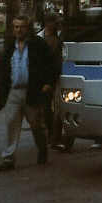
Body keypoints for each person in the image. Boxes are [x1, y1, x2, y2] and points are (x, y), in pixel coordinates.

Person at [0, 14, 56, 171]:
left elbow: (51, 64)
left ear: (27, 28)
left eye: (22, 27)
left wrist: (48, 83)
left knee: (36, 124)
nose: (19, 30)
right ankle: (8, 158)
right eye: (16, 27)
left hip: (32, 91)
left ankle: (42, 149)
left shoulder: (38, 44)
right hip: (14, 91)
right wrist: (2, 92)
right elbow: (4, 69)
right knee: (11, 124)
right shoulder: (10, 46)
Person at [37, 13, 64, 149]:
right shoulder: (40, 39)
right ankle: (52, 134)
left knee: (58, 108)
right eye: (54, 22)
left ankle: (55, 137)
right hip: (47, 78)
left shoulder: (60, 37)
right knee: (46, 108)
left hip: (59, 76)